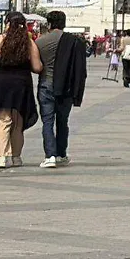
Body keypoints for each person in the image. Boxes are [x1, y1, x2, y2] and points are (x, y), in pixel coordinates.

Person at [0, 11, 42, 169]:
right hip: (21, 85)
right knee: (17, 121)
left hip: (0, 84)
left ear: (7, 24)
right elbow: (37, 67)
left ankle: (1, 157)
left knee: (2, 120)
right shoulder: (28, 43)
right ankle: (16, 157)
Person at [35, 11, 88, 169]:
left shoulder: (40, 42)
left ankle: (50, 155)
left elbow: (36, 65)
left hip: (46, 84)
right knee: (63, 121)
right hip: (66, 86)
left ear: (49, 24)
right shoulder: (74, 41)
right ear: (64, 23)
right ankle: (61, 154)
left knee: (47, 121)